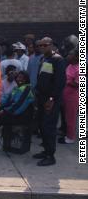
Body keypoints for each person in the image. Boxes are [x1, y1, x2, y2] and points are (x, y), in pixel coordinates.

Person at [33, 37, 66, 166]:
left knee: (49, 127)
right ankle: (46, 151)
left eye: (44, 45)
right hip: (41, 97)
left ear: (51, 45)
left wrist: (51, 99)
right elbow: (41, 78)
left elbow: (59, 83)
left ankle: (50, 156)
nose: (42, 47)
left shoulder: (57, 60)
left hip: (51, 100)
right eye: (40, 45)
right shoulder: (43, 59)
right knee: (41, 125)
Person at [0, 71, 35, 153]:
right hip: (13, 113)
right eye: (18, 77)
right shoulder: (17, 88)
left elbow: (18, 106)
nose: (19, 79)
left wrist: (3, 112)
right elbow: (7, 101)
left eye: (22, 78)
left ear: (26, 80)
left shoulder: (27, 89)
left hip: (21, 116)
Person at [59, 48, 79, 144]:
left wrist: (67, 81)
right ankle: (66, 133)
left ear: (76, 57)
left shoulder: (79, 68)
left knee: (71, 117)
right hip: (65, 95)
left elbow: (78, 83)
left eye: (70, 54)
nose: (68, 56)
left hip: (73, 97)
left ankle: (70, 137)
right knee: (66, 117)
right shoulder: (70, 65)